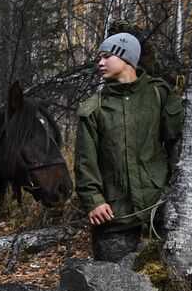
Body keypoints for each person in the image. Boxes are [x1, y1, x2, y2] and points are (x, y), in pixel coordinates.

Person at [74, 32, 184, 263]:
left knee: (175, 272)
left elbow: (177, 142)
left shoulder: (158, 94)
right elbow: (85, 161)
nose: (100, 63)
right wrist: (93, 200)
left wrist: (179, 188)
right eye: (99, 58)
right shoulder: (94, 107)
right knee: (111, 281)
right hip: (115, 211)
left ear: (126, 58)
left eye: (106, 56)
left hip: (160, 202)